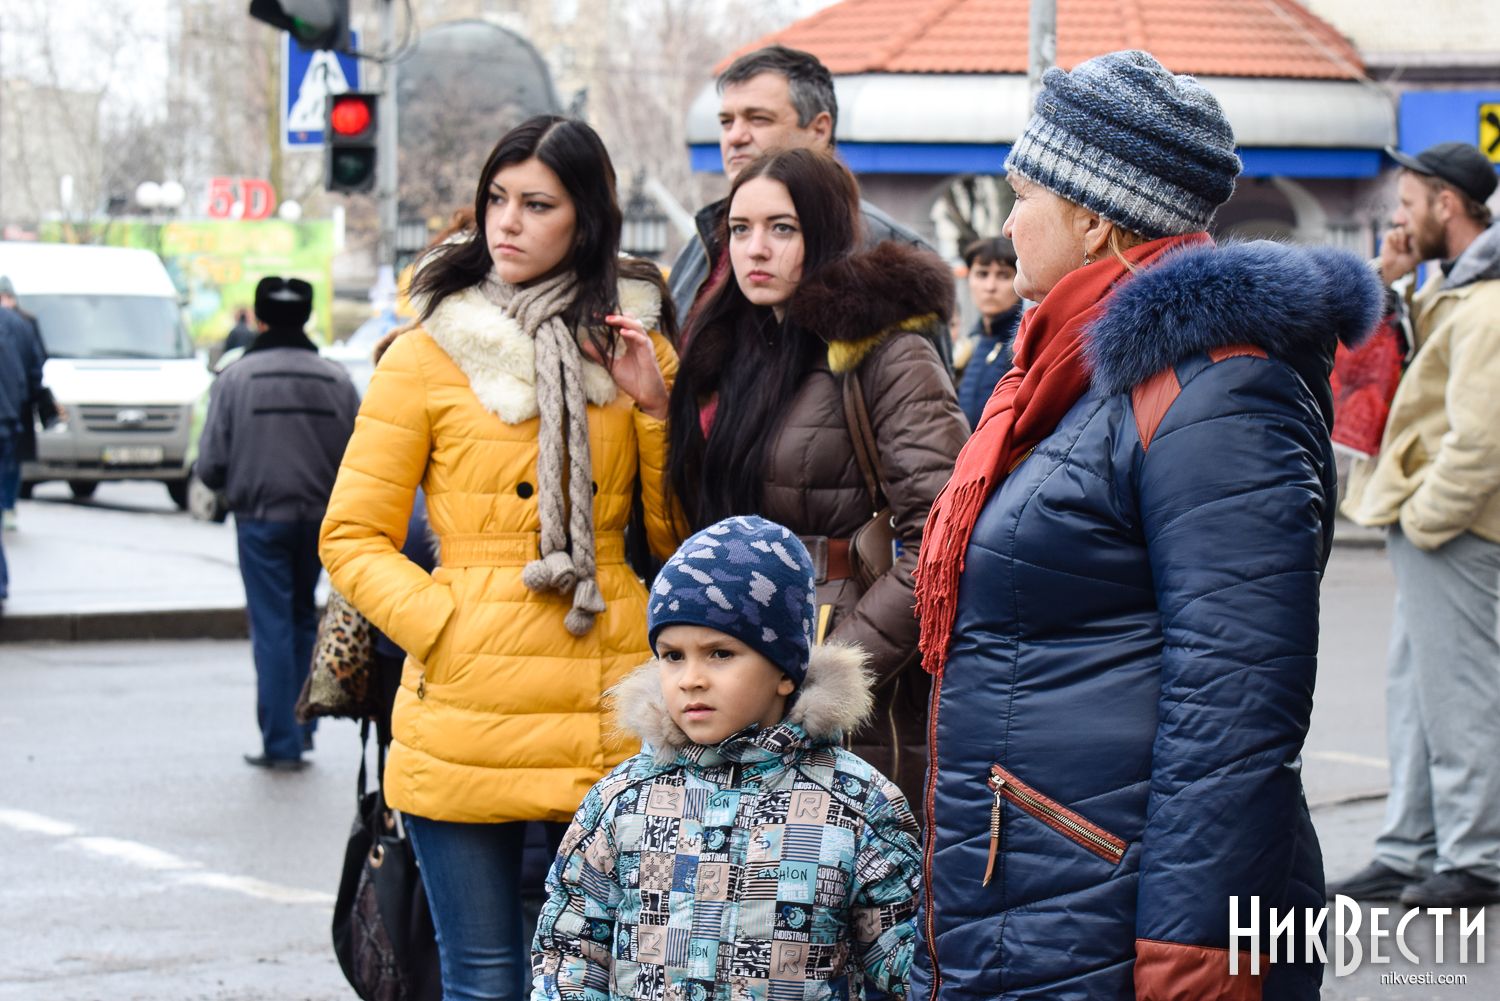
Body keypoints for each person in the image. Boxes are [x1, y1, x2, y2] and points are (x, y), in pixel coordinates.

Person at [912, 51, 1382, 1000]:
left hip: (1113, 894)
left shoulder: (1219, 387)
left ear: (1095, 218)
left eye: (1023, 194)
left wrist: (1195, 955)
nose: (1008, 222)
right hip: (1047, 872)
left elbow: (1236, 704)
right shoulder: (1073, 376)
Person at [319, 115, 682, 1001]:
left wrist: (654, 412)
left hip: (606, 690)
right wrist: (444, 622)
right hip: (467, 696)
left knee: (606, 977)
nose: (507, 223)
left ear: (587, 219)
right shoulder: (428, 352)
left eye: (537, 204)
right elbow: (351, 533)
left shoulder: (634, 343)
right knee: (483, 977)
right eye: (496, 199)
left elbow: (677, 541)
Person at [666, 148, 967, 808]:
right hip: (737, 666)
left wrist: (827, 672)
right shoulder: (737, 351)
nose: (755, 249)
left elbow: (943, 540)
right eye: (739, 229)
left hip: (843, 670)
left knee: (833, 865)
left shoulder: (888, 351)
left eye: (782, 228)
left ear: (826, 230)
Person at [532, 515, 921, 1001]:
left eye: (720, 653)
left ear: (785, 671)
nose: (691, 679)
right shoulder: (623, 799)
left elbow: (910, 959)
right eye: (673, 655)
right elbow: (570, 949)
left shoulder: (856, 804)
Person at [1334, 141, 1500, 909]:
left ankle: (1478, 855)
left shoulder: (1487, 301)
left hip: (1459, 529)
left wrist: (1430, 516)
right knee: (1416, 692)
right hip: (1432, 523)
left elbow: (1482, 437)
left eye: (1407, 204)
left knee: (1460, 694)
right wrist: (1392, 278)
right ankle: (1410, 848)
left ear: (1447, 203)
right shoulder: (1453, 286)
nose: (1397, 219)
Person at [668, 45, 950, 370]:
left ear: (819, 130)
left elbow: (920, 391)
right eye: (726, 122)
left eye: (758, 119)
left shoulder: (894, 255)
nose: (735, 137)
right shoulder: (705, 241)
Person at [196, 277, 360, 771]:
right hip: (320, 521)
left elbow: (210, 464)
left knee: (271, 626)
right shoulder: (336, 380)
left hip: (260, 520)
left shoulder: (234, 379)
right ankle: (303, 727)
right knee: (301, 618)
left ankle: (282, 742)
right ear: (306, 318)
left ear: (260, 319)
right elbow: (361, 456)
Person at [953, 236, 1022, 429]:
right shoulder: (971, 345)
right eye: (982, 274)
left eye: (1003, 276)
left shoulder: (1024, 343)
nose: (990, 287)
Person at [0, 276, 45, 531]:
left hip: (12, 408)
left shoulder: (22, 323)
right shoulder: (25, 323)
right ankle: (7, 506)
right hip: (17, 409)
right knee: (11, 462)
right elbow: (36, 366)